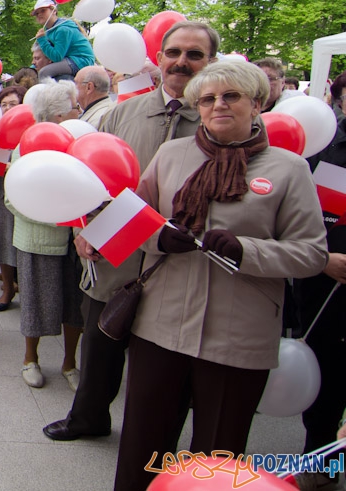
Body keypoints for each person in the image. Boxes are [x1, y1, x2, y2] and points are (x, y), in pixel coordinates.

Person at [113, 60, 328, 491]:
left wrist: (247, 250)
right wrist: (159, 237)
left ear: (257, 103)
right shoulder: (172, 154)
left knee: (217, 455)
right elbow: (131, 220)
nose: (218, 106)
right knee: (143, 444)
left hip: (239, 335)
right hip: (162, 325)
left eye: (231, 96)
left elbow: (312, 254)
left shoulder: (289, 169)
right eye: (207, 99)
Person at [44, 20, 217, 444]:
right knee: (101, 341)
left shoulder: (218, 121)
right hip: (116, 248)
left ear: (210, 61)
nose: (182, 62)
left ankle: (158, 438)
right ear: (159, 58)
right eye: (174, 53)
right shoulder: (124, 112)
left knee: (163, 359)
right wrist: (84, 230)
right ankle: (87, 416)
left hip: (180, 261)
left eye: (195, 55)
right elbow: (89, 178)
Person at [6, 81, 84, 390]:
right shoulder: (26, 145)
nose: (80, 111)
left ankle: (70, 363)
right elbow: (13, 197)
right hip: (38, 237)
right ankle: (30, 359)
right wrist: (58, 220)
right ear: (58, 115)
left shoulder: (79, 140)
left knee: (74, 303)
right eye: (74, 107)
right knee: (36, 301)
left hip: (76, 239)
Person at [296, 98, 346, 477]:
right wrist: (322, 259)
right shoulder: (326, 148)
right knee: (326, 386)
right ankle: (322, 466)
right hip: (326, 290)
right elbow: (294, 220)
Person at [0, 85, 26, 312]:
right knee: (2, 238)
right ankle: (8, 287)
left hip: (24, 194)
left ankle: (25, 285)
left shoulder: (31, 128)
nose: (8, 108)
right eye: (4, 104)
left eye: (13, 104)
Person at [31, 0, 95, 80]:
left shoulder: (62, 29)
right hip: (70, 59)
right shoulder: (49, 31)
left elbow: (57, 57)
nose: (39, 14)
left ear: (54, 11)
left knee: (44, 72)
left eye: (43, 11)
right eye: (36, 13)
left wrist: (42, 40)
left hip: (81, 60)